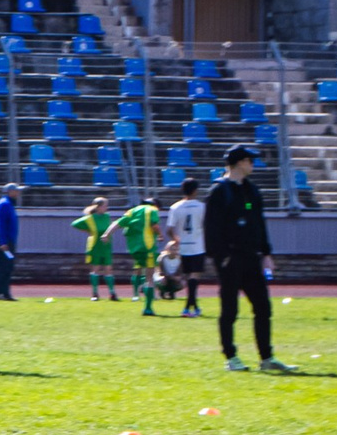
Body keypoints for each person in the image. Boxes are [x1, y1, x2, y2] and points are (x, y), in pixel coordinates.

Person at [204, 145, 291, 373]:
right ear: (240, 162)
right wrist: (221, 256)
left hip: (251, 258)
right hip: (230, 259)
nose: (253, 165)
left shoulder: (252, 190)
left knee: (263, 307)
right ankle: (231, 357)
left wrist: (266, 253)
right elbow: (211, 228)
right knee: (230, 310)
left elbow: (259, 224)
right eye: (250, 161)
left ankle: (266, 357)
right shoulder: (219, 191)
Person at [114, 192, 166, 317]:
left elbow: (121, 225)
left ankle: (136, 295)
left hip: (135, 248)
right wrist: (160, 234)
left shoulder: (133, 211)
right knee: (149, 277)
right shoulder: (152, 210)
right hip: (148, 246)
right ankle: (148, 307)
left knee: (138, 270)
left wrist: (106, 234)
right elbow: (154, 225)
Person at [165, 178, 208, 317]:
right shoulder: (202, 207)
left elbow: (169, 229)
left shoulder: (175, 207)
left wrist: (176, 239)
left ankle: (193, 307)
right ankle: (189, 307)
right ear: (195, 191)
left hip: (183, 247)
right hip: (198, 245)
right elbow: (206, 226)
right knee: (194, 276)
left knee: (189, 276)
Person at [71, 195, 120, 300]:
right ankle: (95, 293)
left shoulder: (106, 216)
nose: (106, 208)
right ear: (98, 207)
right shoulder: (90, 218)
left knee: (108, 269)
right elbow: (75, 224)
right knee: (95, 269)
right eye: (105, 206)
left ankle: (112, 293)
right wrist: (89, 231)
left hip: (106, 246)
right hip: (95, 246)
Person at [0, 182, 21, 301]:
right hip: (4, 240)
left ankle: (1, 293)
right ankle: (0, 293)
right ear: (10, 191)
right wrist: (2, 242)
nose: (18, 193)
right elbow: (0, 225)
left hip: (6, 239)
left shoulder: (7, 204)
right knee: (4, 267)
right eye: (16, 190)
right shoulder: (4, 204)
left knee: (6, 267)